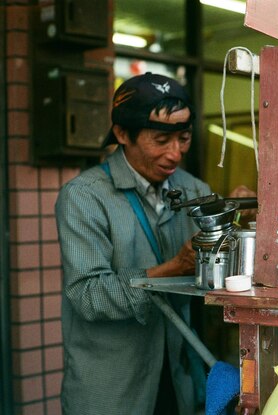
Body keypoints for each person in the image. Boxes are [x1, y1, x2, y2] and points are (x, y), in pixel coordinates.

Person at [56, 73, 214, 414]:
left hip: (178, 379)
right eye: (161, 140)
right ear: (122, 134)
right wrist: (170, 270)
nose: (175, 154)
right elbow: (88, 295)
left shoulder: (193, 191)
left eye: (184, 138)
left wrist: (233, 217)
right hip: (113, 390)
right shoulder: (84, 196)